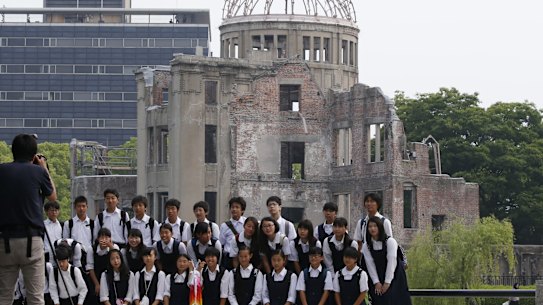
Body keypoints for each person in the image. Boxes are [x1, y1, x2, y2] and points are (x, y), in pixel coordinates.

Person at [0, 133, 56, 305]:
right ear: (33, 155)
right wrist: (44, 167)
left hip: (5, 240)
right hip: (32, 240)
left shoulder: (2, 170)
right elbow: (52, 196)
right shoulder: (38, 171)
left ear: (13, 151)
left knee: (4, 296)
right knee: (35, 296)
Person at [362, 216, 411, 305]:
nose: (372, 229)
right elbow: (370, 264)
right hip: (377, 274)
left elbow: (392, 262)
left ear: (380, 227)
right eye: (370, 226)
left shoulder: (390, 241)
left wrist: (387, 282)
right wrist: (376, 282)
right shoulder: (367, 246)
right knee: (378, 298)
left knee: (394, 299)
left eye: (375, 226)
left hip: (394, 275)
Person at [87, 228, 120, 303]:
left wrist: (111, 247)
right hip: (96, 276)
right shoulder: (92, 249)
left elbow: (118, 261)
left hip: (110, 276)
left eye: (107, 237)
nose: (104, 240)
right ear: (98, 239)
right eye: (102, 237)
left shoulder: (115, 247)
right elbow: (90, 268)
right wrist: (97, 284)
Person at [219, 197, 247, 269]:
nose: (234, 209)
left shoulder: (247, 223)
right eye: (232, 207)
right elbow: (221, 243)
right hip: (229, 259)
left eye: (237, 207)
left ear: (242, 210)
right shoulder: (224, 226)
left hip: (244, 257)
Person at [44, 201, 63, 266]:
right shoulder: (43, 225)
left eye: (56, 210)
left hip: (59, 257)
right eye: (52, 210)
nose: (54, 212)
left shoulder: (62, 225)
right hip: (46, 256)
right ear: (46, 212)